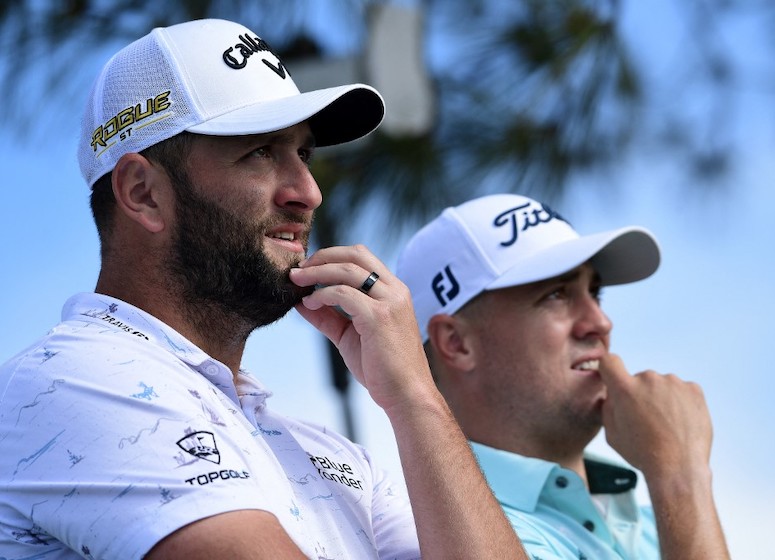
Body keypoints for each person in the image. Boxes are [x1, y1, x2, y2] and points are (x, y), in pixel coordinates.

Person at [0, 19, 527, 560]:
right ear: (143, 193)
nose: (309, 192)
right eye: (260, 152)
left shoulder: (332, 456)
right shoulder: (69, 382)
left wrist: (416, 400)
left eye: (304, 155)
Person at [396, 193, 730, 560]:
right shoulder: (437, 538)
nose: (601, 323)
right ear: (457, 343)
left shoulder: (658, 524)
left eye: (595, 293)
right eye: (556, 294)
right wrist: (681, 477)